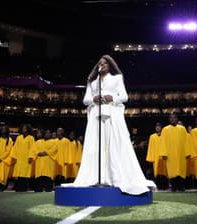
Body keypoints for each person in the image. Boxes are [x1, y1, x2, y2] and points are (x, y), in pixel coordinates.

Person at [64, 55, 155, 195]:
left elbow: (124, 96)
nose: (102, 64)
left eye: (105, 62)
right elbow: (85, 100)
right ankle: (97, 176)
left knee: (113, 144)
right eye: (100, 62)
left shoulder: (117, 78)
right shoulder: (92, 81)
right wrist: (93, 99)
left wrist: (113, 98)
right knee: (95, 146)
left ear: (110, 65)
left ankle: (114, 176)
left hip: (112, 115)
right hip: (96, 116)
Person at [11, 125, 35, 192]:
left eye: (25, 128)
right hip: (19, 158)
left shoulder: (31, 138)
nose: (24, 129)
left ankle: (24, 189)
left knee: (25, 174)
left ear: (28, 129)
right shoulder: (19, 137)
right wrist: (14, 157)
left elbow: (32, 148)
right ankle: (18, 188)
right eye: (23, 128)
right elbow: (15, 147)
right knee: (19, 174)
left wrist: (31, 157)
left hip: (26, 158)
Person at [146, 122, 168, 190]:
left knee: (165, 172)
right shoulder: (152, 137)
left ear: (161, 128)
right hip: (156, 157)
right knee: (157, 173)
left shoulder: (165, 136)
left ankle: (165, 186)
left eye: (159, 126)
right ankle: (158, 186)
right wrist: (150, 157)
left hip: (163, 157)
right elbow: (150, 147)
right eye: (156, 127)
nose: (158, 128)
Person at [0, 126, 13, 192]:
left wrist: (1, 158)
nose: (3, 130)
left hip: (4, 161)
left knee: (3, 175)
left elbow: (8, 151)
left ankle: (2, 187)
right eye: (2, 129)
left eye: (5, 129)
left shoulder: (9, 140)